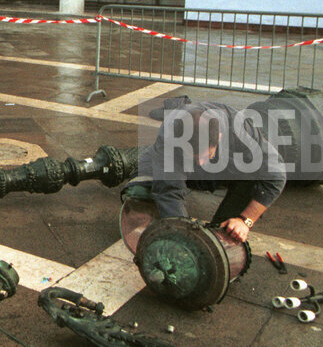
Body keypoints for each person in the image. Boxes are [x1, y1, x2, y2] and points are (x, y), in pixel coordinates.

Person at [120, 102, 286, 243]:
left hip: (228, 169)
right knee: (138, 194)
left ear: (219, 137)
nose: (199, 163)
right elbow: (169, 191)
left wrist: (245, 221)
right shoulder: (170, 133)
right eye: (194, 157)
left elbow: (277, 175)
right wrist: (183, 234)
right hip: (175, 163)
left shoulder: (241, 132)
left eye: (205, 155)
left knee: (222, 237)